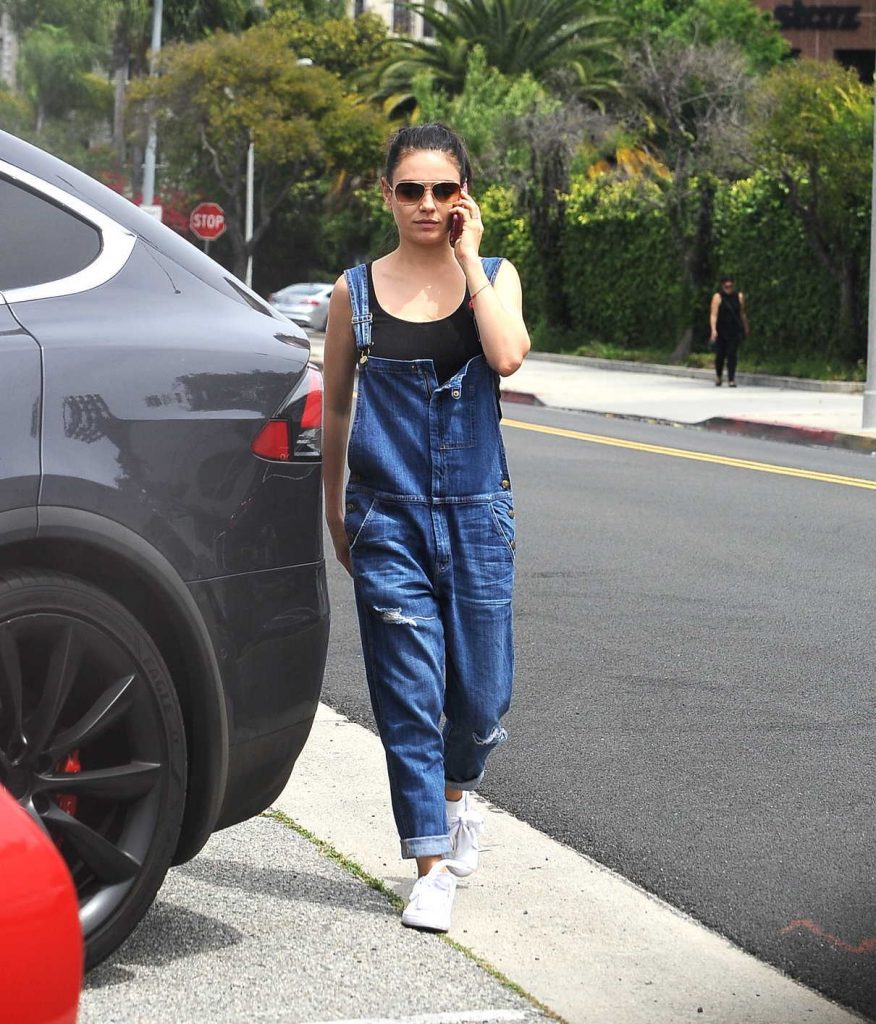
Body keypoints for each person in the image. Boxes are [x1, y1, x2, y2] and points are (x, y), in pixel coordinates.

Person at [322, 123, 530, 933]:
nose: (427, 204)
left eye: (444, 190)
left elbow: (508, 357)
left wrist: (470, 260)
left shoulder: (496, 275)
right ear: (387, 195)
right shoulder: (355, 291)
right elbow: (336, 406)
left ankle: (457, 795)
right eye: (410, 189)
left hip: (479, 516)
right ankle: (430, 865)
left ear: (465, 196)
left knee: (480, 701)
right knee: (409, 697)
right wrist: (335, 510)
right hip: (388, 517)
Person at [709, 274, 749, 387]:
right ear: (722, 285)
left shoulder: (739, 296)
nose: (728, 286)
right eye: (726, 284)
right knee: (720, 355)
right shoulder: (717, 297)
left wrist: (746, 327)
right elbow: (713, 315)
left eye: (730, 284)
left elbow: (742, 313)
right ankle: (718, 376)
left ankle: (731, 379)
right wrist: (713, 330)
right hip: (721, 330)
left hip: (734, 329)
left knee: (732, 354)